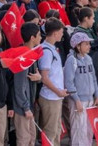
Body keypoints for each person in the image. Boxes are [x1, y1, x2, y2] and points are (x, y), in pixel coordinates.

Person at [63, 31, 98, 146]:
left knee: (89, 130)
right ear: (78, 46)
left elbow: (94, 78)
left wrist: (97, 96)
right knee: (79, 129)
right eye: (86, 44)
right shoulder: (71, 60)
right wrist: (77, 100)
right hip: (78, 100)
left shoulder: (88, 58)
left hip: (90, 99)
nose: (89, 46)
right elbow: (69, 83)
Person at [12, 22, 42, 146]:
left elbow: (35, 77)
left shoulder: (31, 55)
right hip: (22, 108)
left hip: (28, 105)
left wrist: (39, 78)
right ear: (32, 38)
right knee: (24, 139)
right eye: (39, 35)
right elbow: (19, 86)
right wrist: (25, 107)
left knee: (31, 137)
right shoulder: (22, 56)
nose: (41, 38)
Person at [38, 17, 67, 146]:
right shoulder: (46, 51)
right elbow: (44, 77)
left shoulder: (52, 48)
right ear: (55, 33)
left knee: (56, 130)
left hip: (55, 96)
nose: (62, 34)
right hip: (50, 97)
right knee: (50, 131)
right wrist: (58, 91)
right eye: (61, 32)